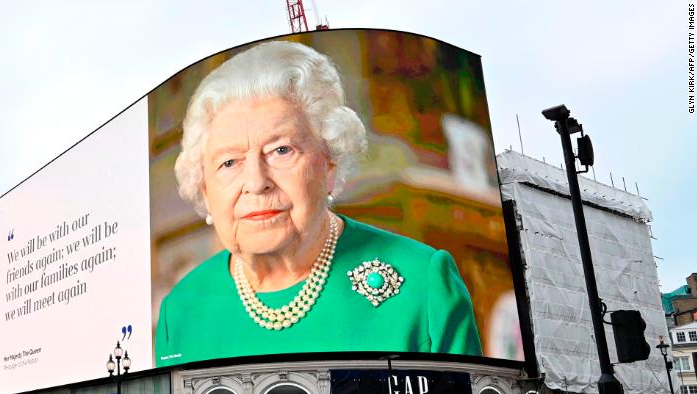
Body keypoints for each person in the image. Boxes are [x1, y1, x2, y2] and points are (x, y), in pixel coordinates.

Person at [154, 40, 481, 368]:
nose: (256, 182)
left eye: (281, 150)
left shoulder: (423, 282)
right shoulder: (180, 312)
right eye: (229, 163)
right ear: (205, 189)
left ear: (329, 161)